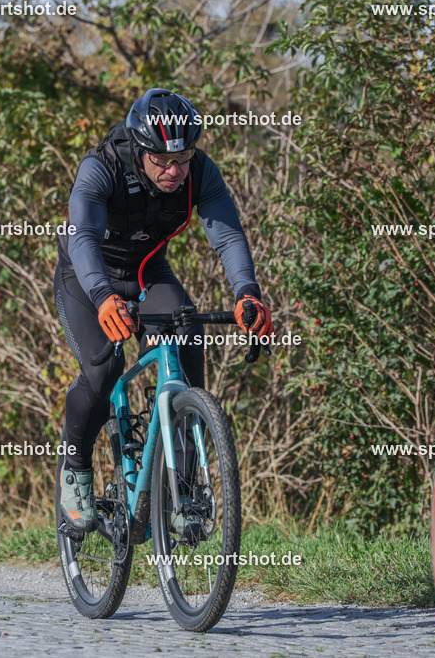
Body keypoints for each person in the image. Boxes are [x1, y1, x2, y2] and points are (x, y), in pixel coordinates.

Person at [54, 88, 275, 534]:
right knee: (104, 368)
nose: (175, 170)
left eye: (184, 157)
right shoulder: (102, 167)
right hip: (86, 278)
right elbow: (82, 239)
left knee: (188, 334)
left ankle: (184, 490)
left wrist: (247, 292)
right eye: (162, 161)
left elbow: (228, 236)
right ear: (140, 149)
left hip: (146, 273)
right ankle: (74, 468)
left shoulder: (199, 172)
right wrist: (102, 297)